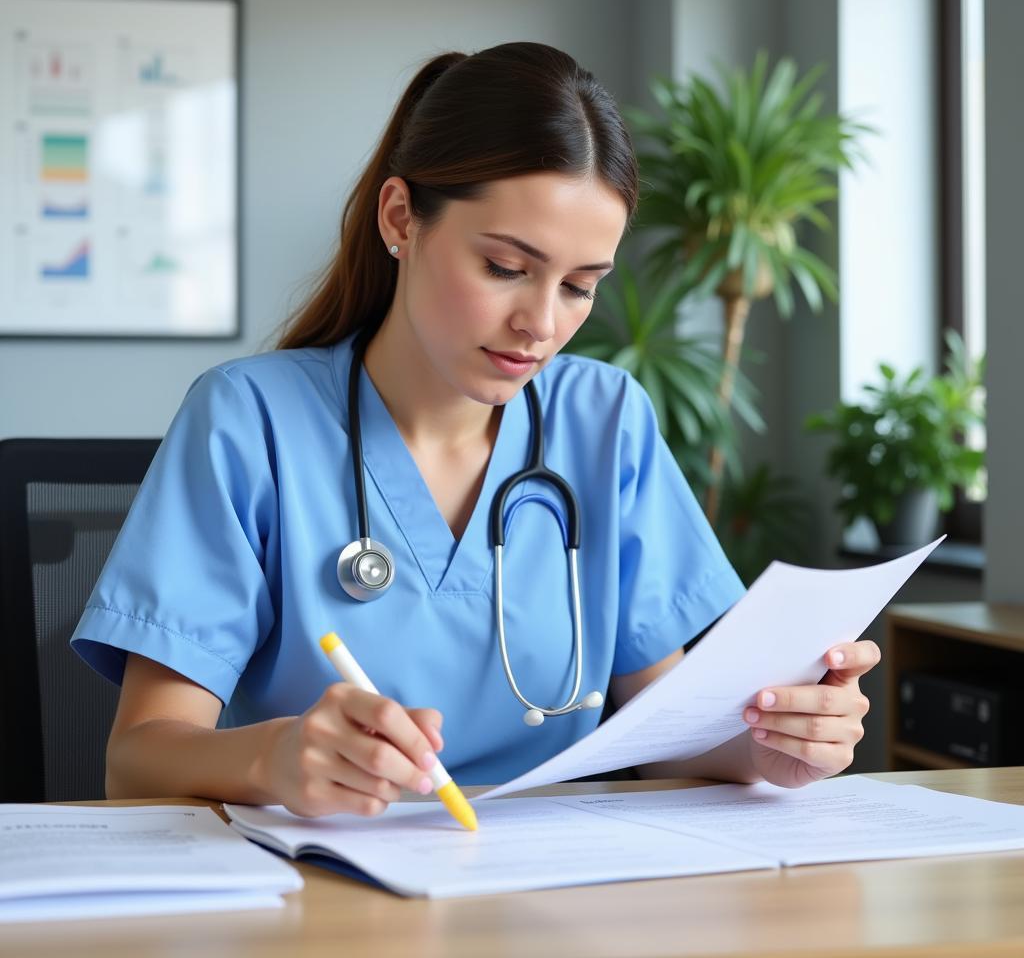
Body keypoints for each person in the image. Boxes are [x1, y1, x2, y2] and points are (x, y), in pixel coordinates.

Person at [71, 42, 879, 819]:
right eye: (505, 267)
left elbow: (663, 733)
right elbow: (137, 758)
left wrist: (771, 749)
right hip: (319, 894)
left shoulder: (604, 422)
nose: (541, 323)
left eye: (579, 286)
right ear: (401, 218)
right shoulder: (249, 422)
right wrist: (275, 760)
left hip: (554, 893)